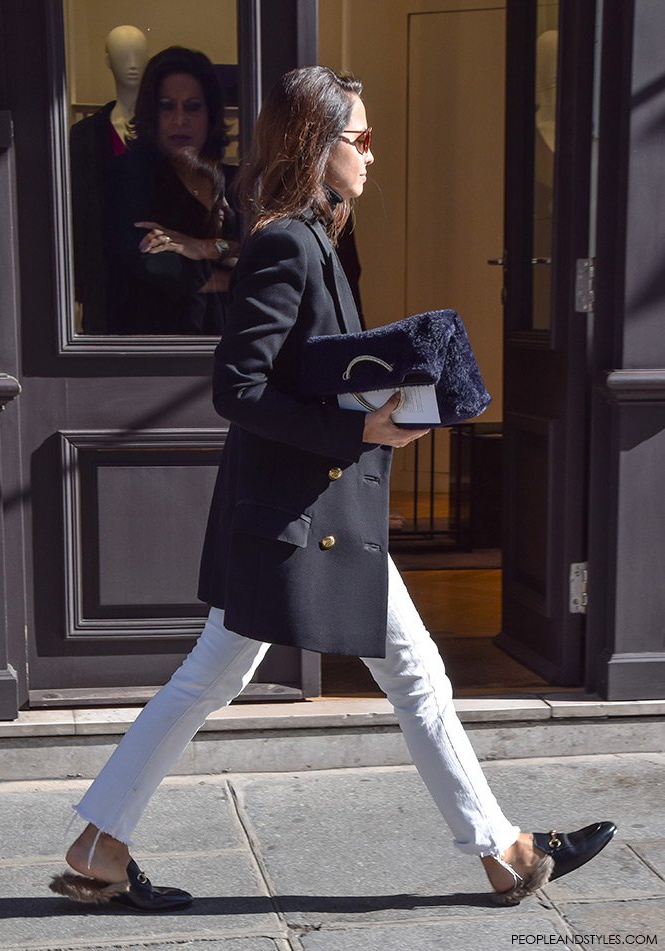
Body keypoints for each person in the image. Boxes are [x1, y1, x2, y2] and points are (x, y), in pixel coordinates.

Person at [51, 66, 615, 912]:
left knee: (228, 676)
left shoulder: (310, 237)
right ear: (318, 147)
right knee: (399, 674)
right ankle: (505, 853)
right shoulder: (286, 243)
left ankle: (99, 845)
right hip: (298, 514)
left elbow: (305, 374)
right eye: (359, 137)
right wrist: (361, 431)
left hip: (303, 510)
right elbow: (237, 389)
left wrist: (381, 402)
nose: (370, 151)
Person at [107, 46, 239, 335]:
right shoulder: (131, 180)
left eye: (192, 107)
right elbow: (159, 268)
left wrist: (199, 247)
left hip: (233, 344)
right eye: (167, 106)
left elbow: (269, 257)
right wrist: (233, 261)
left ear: (211, 113)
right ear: (151, 113)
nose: (180, 120)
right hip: (157, 350)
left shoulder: (235, 180)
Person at [70, 25, 148, 333]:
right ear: (107, 59)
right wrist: (76, 279)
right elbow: (77, 208)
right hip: (101, 268)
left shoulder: (161, 132)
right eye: (121, 52)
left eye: (138, 54)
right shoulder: (85, 135)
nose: (131, 61)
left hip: (154, 269)